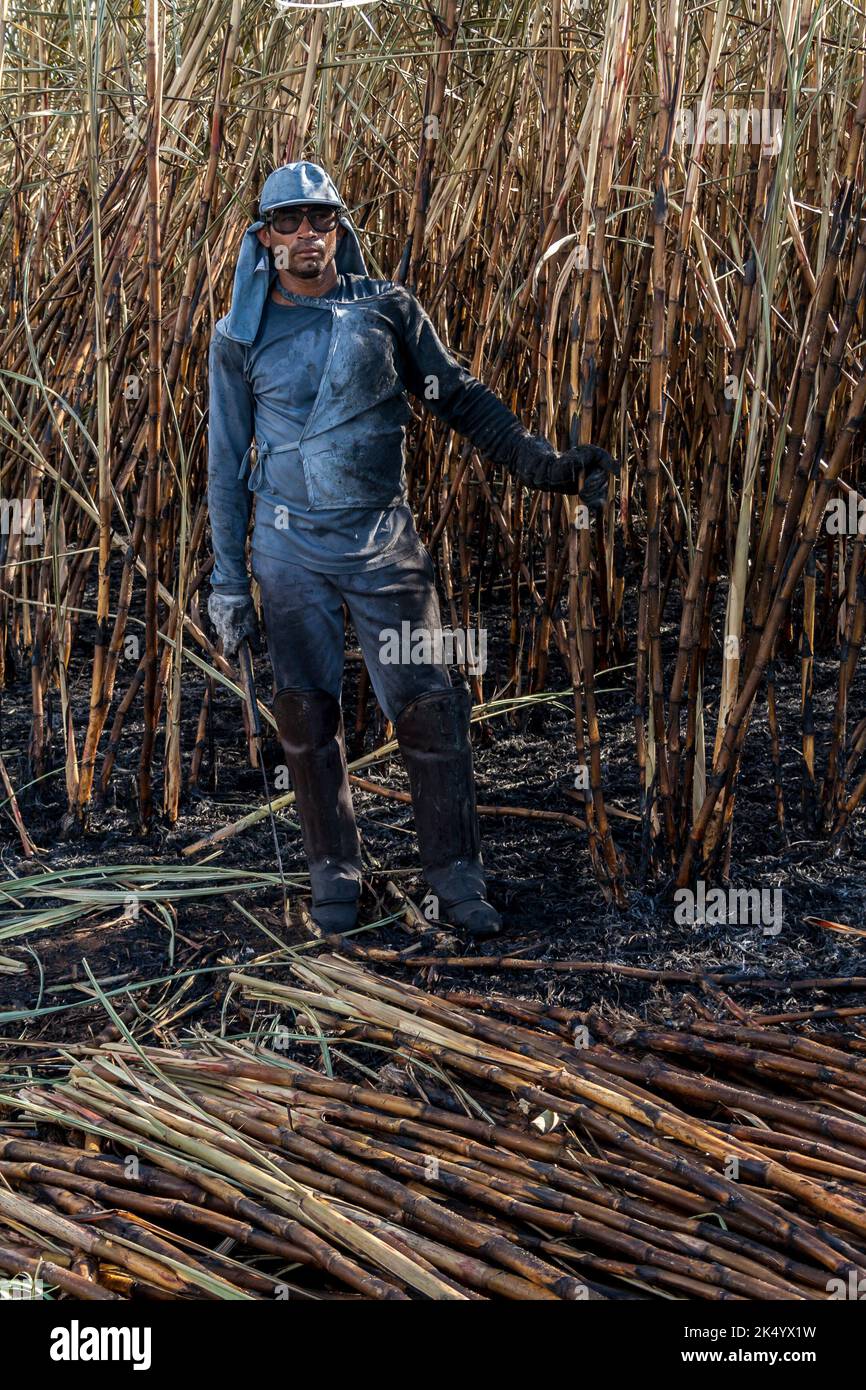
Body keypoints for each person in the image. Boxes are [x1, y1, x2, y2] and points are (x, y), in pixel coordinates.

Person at [207, 160, 617, 938]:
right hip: (288, 550)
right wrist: (229, 583)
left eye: (319, 220)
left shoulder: (387, 311)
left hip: (382, 544)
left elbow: (459, 399)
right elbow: (225, 464)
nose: (305, 235)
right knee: (304, 712)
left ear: (340, 230)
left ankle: (456, 877)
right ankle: (334, 874)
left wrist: (548, 468)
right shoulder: (240, 337)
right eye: (288, 222)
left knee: (430, 707)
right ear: (264, 238)